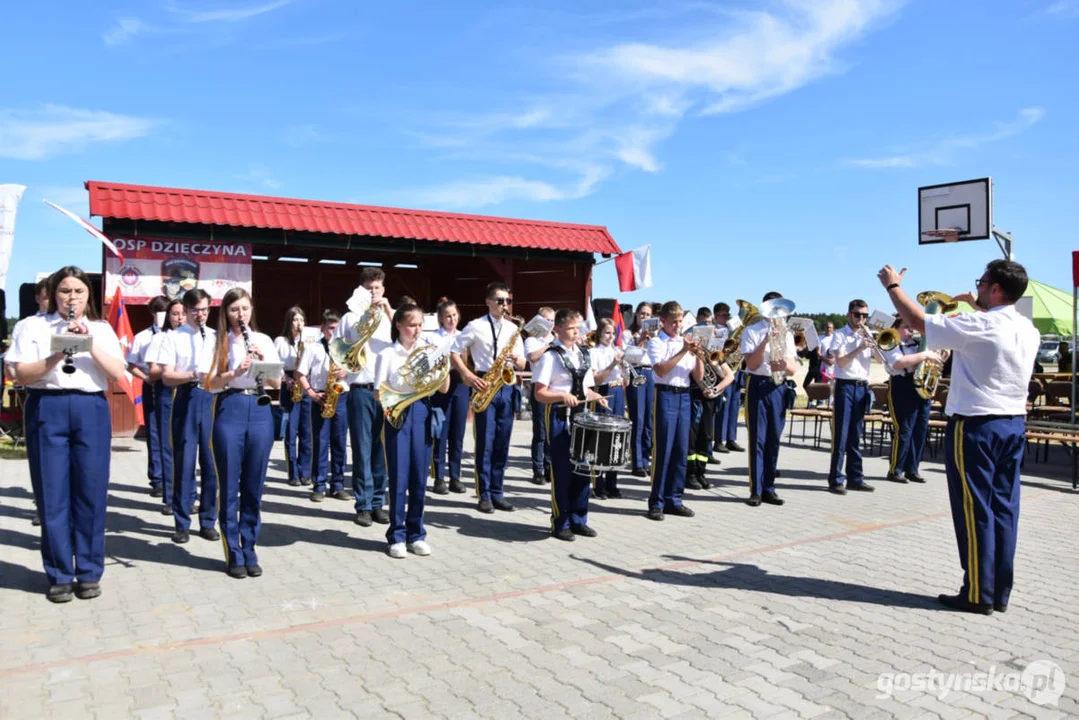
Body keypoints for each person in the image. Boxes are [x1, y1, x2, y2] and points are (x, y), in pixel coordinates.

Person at [878, 260, 1039, 614]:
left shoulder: (978, 323)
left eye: (982, 283)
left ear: (995, 288)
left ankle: (977, 593)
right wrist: (976, 305)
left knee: (974, 509)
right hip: (1013, 424)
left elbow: (921, 323)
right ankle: (998, 591)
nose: (977, 288)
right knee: (1003, 509)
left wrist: (892, 287)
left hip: (977, 425)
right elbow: (988, 327)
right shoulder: (1027, 328)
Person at [7, 266, 126, 602]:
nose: (71, 297)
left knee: (90, 493)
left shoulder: (101, 329)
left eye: (78, 291)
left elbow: (118, 374)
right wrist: (59, 352)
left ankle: (89, 572)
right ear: (53, 293)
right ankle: (59, 573)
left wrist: (87, 344)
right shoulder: (31, 326)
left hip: (90, 409)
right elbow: (20, 376)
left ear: (88, 295)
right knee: (52, 495)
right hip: (48, 406)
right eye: (65, 291)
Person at [201, 288, 282, 578]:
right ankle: (233, 551)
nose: (241, 315)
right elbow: (209, 382)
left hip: (260, 408)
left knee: (254, 485)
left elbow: (275, 382)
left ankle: (250, 547)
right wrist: (236, 372)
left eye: (245, 309)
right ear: (226, 313)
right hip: (230, 407)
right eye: (234, 309)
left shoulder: (263, 339)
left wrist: (261, 362)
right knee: (229, 486)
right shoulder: (215, 340)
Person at [375, 303, 451, 558]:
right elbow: (378, 393)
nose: (417, 330)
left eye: (420, 325)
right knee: (398, 478)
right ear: (398, 325)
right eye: (412, 325)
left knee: (420, 477)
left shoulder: (427, 352)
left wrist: (444, 363)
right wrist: (403, 390)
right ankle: (396, 535)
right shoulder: (387, 354)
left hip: (421, 412)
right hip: (396, 414)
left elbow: (443, 388)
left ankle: (416, 534)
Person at [532, 308, 609, 540]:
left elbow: (585, 389)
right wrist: (560, 397)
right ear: (557, 330)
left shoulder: (584, 354)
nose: (576, 332)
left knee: (583, 468)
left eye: (578, 328)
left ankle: (579, 519)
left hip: (581, 416)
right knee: (563, 470)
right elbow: (539, 393)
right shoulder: (550, 356)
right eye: (571, 328)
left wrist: (597, 397)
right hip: (558, 415)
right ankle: (560, 521)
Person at [450, 281, 525, 514]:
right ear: (489, 302)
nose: (505, 305)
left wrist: (516, 360)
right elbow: (453, 351)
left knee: (502, 442)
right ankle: (483, 494)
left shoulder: (514, 329)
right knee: (485, 442)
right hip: (484, 382)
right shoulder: (475, 326)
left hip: (507, 383)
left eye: (508, 301)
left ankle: (497, 492)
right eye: (500, 300)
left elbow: (523, 362)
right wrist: (468, 376)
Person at [333, 267, 394, 527]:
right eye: (369, 289)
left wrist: (389, 309)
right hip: (360, 388)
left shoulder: (390, 317)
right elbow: (336, 348)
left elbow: (402, 340)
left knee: (382, 450)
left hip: (387, 390)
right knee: (362, 448)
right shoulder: (350, 317)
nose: (374, 293)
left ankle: (379, 501)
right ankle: (364, 504)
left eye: (378, 288)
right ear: (361, 289)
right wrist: (340, 368)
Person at [158, 289, 220, 544]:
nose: (201, 314)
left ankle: (208, 520)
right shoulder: (174, 337)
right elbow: (166, 376)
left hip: (212, 398)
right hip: (186, 395)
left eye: (205, 309)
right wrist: (193, 374)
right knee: (184, 463)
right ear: (186, 309)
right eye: (195, 310)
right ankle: (182, 522)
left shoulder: (217, 336)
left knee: (211, 463)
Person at [646, 301, 705, 521]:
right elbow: (660, 370)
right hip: (665, 394)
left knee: (681, 450)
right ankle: (656, 502)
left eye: (680, 322)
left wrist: (698, 355)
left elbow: (698, 377)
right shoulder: (656, 343)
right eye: (673, 322)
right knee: (664, 450)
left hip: (685, 395)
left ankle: (675, 499)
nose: (678, 326)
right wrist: (683, 350)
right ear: (663, 321)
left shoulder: (684, 342)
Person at [740, 291, 797, 507]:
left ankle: (769, 488)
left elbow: (792, 368)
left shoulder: (788, 335)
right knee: (758, 440)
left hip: (778, 387)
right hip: (758, 385)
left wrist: (784, 365)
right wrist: (766, 340)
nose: (777, 314)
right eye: (773, 309)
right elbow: (751, 365)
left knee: (774, 439)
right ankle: (756, 489)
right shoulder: (751, 331)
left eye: (780, 310)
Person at [6, 277, 50, 528]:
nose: (50, 300)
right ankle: (42, 505)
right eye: (46, 295)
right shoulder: (26, 325)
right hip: (39, 394)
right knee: (41, 459)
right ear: (37, 298)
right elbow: (14, 365)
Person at [296, 310, 350, 502]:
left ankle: (337, 484)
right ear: (323, 328)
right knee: (320, 442)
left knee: (339, 442)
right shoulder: (313, 348)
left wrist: (347, 372)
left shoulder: (345, 349)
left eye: (336, 329)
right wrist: (310, 392)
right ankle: (318, 485)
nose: (333, 333)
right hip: (320, 395)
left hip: (341, 396)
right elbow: (300, 373)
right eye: (330, 329)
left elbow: (357, 370)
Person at [882, 317, 941, 484]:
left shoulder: (917, 344)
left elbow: (939, 355)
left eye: (911, 327)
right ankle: (895, 469)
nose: (911, 331)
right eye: (906, 327)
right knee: (904, 429)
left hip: (920, 386)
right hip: (902, 386)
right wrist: (924, 355)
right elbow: (899, 362)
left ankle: (912, 469)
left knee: (920, 430)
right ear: (896, 328)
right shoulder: (890, 342)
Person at [827, 300, 877, 494]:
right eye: (858, 315)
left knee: (856, 435)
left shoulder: (868, 334)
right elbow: (840, 362)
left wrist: (876, 345)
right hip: (845, 386)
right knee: (841, 435)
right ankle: (836, 479)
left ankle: (856, 477)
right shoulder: (840, 335)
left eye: (865, 315)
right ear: (849, 314)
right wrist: (860, 348)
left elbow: (881, 359)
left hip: (862, 387)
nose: (861, 319)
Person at [127, 295, 170, 497]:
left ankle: (173, 477)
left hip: (175, 383)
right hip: (152, 383)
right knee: (154, 430)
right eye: (160, 311)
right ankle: (158, 478)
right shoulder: (143, 337)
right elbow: (131, 364)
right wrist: (145, 378)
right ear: (153, 313)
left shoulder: (177, 335)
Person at [145, 299, 185, 516]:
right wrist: (172, 369)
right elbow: (151, 372)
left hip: (190, 393)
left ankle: (186, 496)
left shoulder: (194, 338)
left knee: (187, 447)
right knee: (168, 446)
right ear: (168, 316)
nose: (179, 318)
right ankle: (170, 497)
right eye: (175, 314)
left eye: (182, 313)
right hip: (167, 393)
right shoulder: (160, 337)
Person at [427, 299, 469, 495]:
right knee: (440, 432)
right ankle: (438, 477)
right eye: (447, 316)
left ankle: (455, 476)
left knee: (457, 433)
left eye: (454, 315)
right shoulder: (434, 338)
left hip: (460, 383)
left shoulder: (464, 336)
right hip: (441, 384)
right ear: (440, 319)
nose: (451, 319)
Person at [274, 306, 313, 487]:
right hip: (289, 384)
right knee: (291, 432)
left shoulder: (310, 341)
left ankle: (305, 472)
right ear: (289, 322)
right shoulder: (281, 341)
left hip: (305, 385)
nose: (299, 324)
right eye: (295, 320)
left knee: (307, 431)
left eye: (302, 320)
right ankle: (293, 473)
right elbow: (275, 364)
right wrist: (285, 378)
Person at [590, 318, 627, 499]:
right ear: (599, 333)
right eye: (606, 333)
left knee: (617, 437)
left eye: (612, 333)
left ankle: (613, 483)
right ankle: (598, 484)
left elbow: (626, 379)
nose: (610, 337)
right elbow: (596, 379)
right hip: (603, 391)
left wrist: (624, 368)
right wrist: (613, 364)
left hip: (618, 390)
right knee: (601, 438)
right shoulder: (594, 352)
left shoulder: (617, 350)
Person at [523, 306, 556, 486]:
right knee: (540, 431)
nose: (550, 324)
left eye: (552, 321)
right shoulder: (532, 340)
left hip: (555, 387)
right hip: (539, 386)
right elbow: (532, 357)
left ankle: (550, 467)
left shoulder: (556, 338)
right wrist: (549, 345)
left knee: (553, 429)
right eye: (546, 320)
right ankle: (538, 469)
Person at [625, 301, 656, 477]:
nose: (645, 317)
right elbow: (628, 358)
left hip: (651, 374)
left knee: (650, 420)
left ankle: (646, 458)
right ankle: (637, 462)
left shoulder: (657, 336)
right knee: (638, 417)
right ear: (636, 315)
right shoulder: (628, 334)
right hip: (636, 372)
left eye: (648, 315)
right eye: (642, 314)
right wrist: (640, 341)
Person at [712, 302, 745, 455]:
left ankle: (731, 438)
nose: (727, 317)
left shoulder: (732, 329)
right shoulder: (715, 331)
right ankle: (719, 440)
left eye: (728, 315)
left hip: (735, 370)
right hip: (723, 372)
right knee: (723, 407)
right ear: (716, 316)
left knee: (734, 406)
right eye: (724, 315)